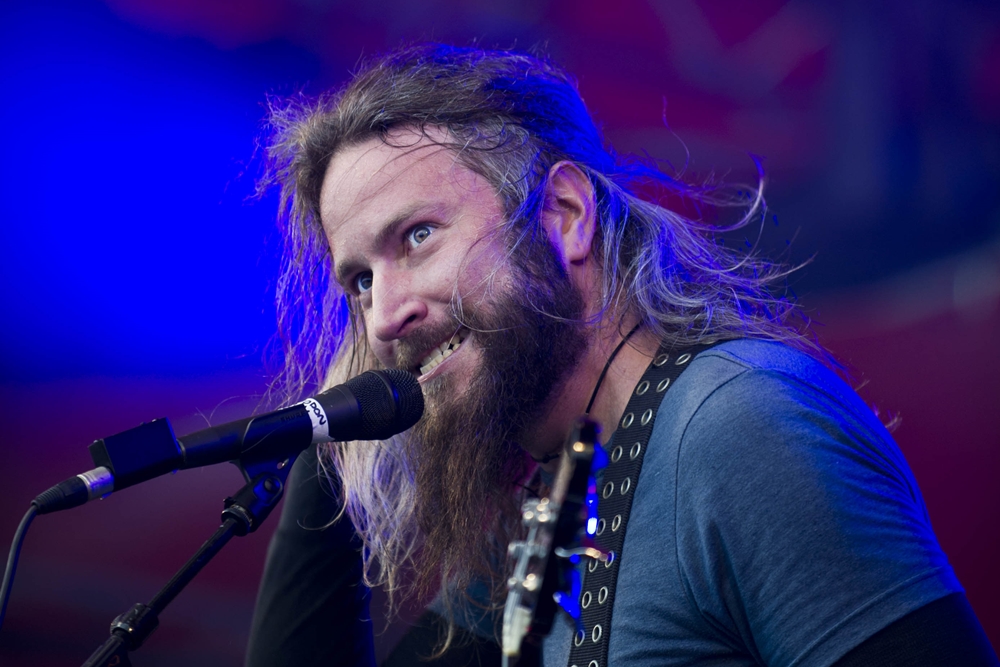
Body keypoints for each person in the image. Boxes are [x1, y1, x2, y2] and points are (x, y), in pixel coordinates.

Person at [245, 43, 997, 666]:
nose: (383, 316)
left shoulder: (740, 428)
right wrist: (332, 434)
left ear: (565, 216)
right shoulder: (545, 496)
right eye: (360, 281)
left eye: (417, 236)